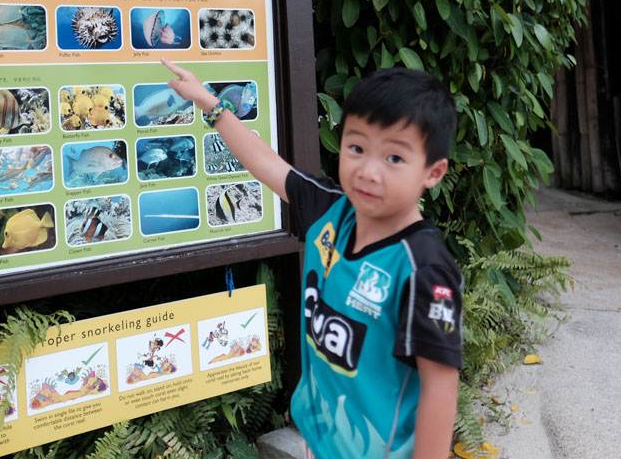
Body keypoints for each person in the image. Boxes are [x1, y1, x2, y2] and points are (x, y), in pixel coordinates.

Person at [162, 59, 462, 459]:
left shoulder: (423, 269)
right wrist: (208, 102)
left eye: (394, 158)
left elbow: (440, 388)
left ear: (433, 172)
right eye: (356, 147)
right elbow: (268, 164)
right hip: (319, 442)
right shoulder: (329, 212)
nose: (368, 171)